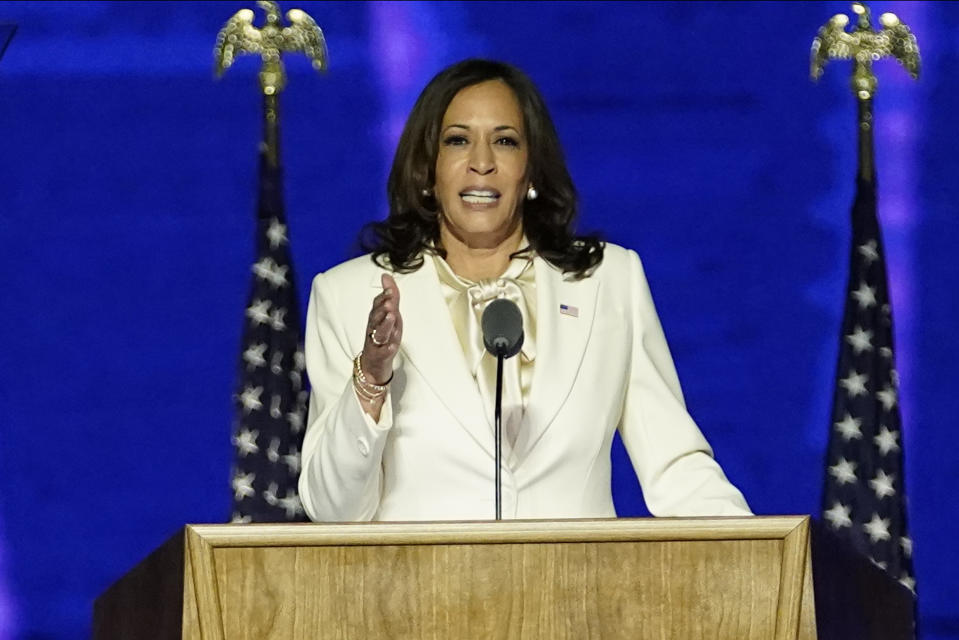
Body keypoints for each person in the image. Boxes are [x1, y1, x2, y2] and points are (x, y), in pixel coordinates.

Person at [298, 59, 751, 522]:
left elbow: (678, 468)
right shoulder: (349, 295)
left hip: (577, 589)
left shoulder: (610, 280)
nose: (482, 163)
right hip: (419, 591)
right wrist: (371, 379)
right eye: (458, 140)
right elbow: (334, 510)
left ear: (530, 171)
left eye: (505, 141)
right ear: (426, 169)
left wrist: (763, 566)